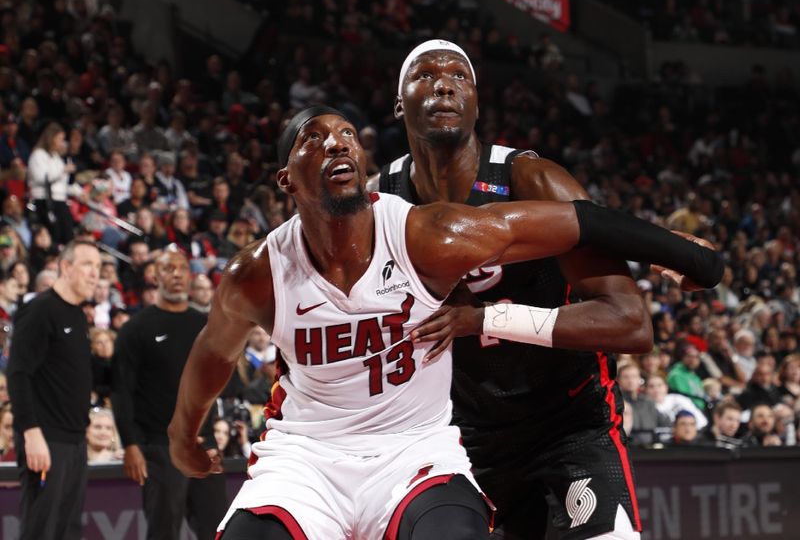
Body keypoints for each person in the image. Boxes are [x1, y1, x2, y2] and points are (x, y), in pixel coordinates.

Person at [168, 107, 723, 540]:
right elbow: (214, 353)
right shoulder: (257, 273)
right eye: (313, 138)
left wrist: (678, 250)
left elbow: (574, 221)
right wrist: (181, 435)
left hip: (418, 448)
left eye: (346, 135)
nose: (335, 142)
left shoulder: (424, 233)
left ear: (365, 170)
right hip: (307, 456)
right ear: (286, 180)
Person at [372, 39, 716, 539]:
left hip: (568, 422)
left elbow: (630, 322)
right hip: (456, 437)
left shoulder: (532, 180)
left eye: (459, 76)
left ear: (476, 101)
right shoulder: (379, 203)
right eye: (425, 74)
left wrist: (486, 318)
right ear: (400, 101)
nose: (444, 83)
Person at [112, 246, 228, 540]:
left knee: (217, 530)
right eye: (168, 268)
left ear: (190, 276)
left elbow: (215, 380)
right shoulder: (135, 329)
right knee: (163, 532)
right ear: (155, 276)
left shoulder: (206, 325)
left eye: (182, 269)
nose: (176, 275)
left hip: (204, 443)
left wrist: (213, 429)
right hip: (159, 446)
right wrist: (131, 444)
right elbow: (121, 391)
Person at [6, 240, 101, 539]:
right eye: (87, 265)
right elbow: (18, 374)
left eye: (98, 267)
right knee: (42, 529)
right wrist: (31, 433)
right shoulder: (39, 311)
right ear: (65, 266)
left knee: (67, 529)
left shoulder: (77, 315)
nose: (94, 274)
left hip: (74, 441)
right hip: (46, 440)